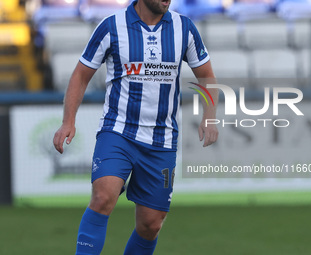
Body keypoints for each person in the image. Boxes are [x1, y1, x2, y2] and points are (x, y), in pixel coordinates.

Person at [53, 0, 218, 254]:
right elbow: (80, 75)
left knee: (150, 224)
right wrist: (68, 121)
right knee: (103, 197)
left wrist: (210, 116)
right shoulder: (111, 26)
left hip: (161, 141)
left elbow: (206, 76)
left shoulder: (184, 28)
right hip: (118, 132)